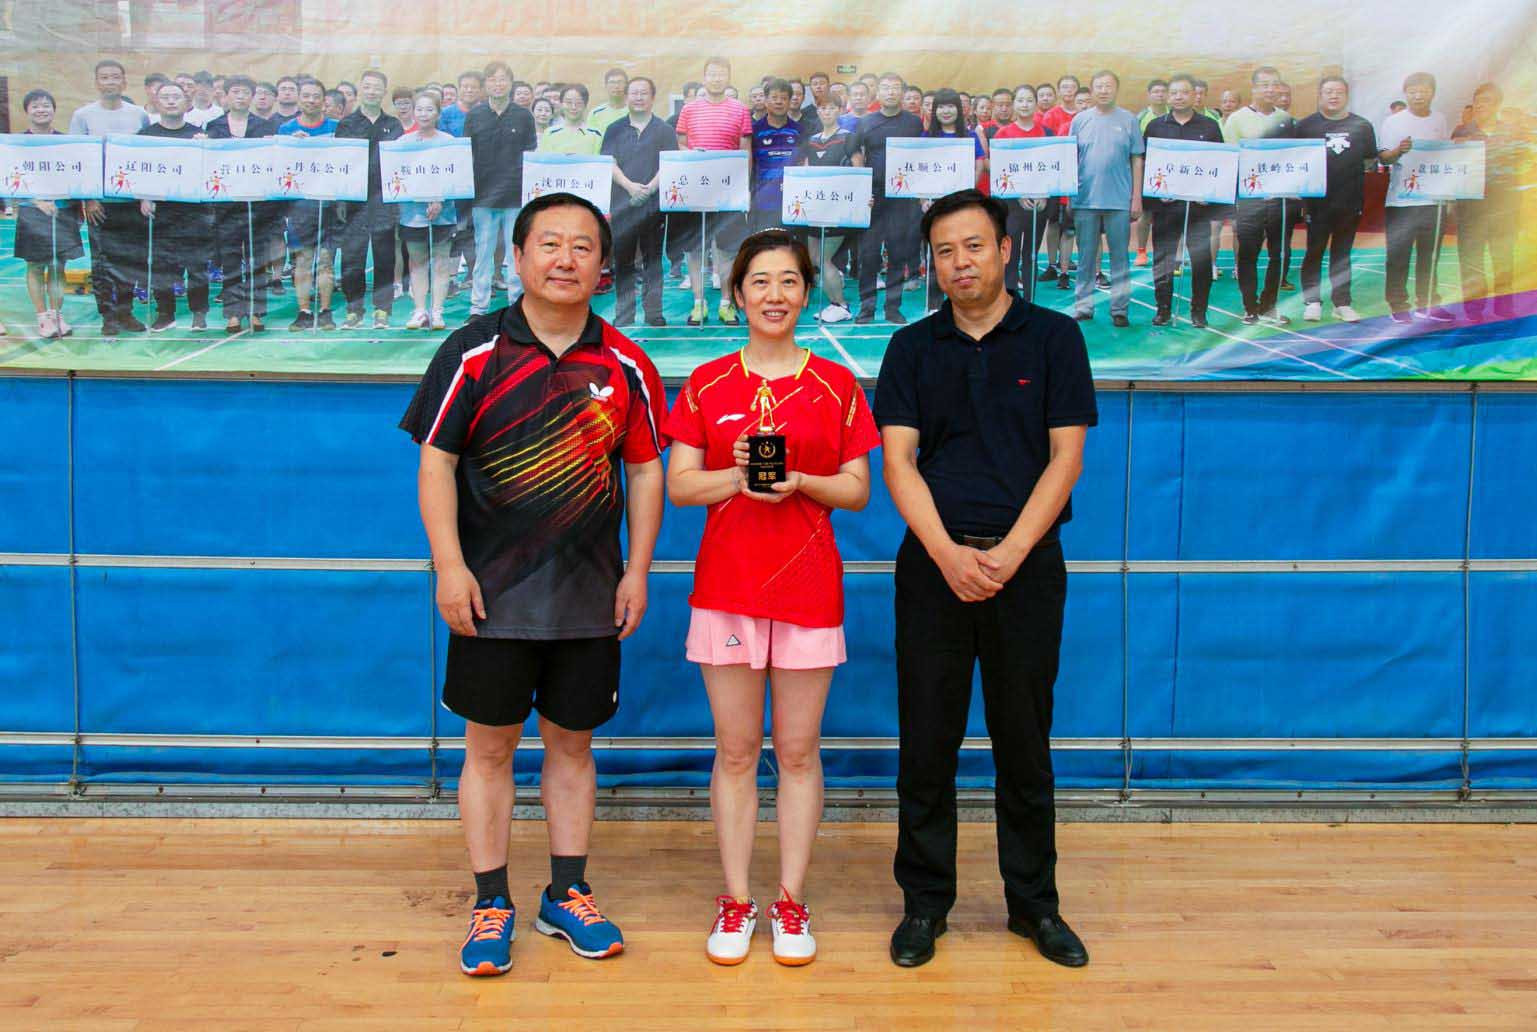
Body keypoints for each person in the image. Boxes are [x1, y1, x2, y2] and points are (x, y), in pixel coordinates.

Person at [400, 190, 667, 977]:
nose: (564, 259)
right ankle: (490, 902)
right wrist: (450, 565)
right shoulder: (472, 352)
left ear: (602, 265)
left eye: (582, 246)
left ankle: (567, 893)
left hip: (589, 596)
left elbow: (645, 470)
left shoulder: (624, 362)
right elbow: (436, 462)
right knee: (488, 750)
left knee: (571, 747)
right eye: (548, 243)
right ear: (517, 257)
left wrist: (638, 570)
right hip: (491, 596)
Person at [875, 189, 1096, 971]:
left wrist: (1010, 552)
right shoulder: (911, 347)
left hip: (1025, 571)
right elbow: (897, 462)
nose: (959, 262)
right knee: (925, 745)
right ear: (931, 264)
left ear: (1004, 250)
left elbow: (1065, 458)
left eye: (972, 246)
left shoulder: (1055, 338)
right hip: (933, 570)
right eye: (944, 251)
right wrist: (946, 553)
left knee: (1023, 743)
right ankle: (923, 905)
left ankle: (1034, 906)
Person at [664, 230, 878, 968]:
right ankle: (735, 900)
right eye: (759, 282)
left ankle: (790, 900)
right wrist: (738, 477)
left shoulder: (837, 385)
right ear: (737, 294)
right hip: (727, 587)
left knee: (796, 751)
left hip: (809, 587)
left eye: (788, 281)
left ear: (806, 293)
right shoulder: (707, 382)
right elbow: (679, 484)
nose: (774, 295)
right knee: (734, 752)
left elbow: (857, 490)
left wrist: (800, 482)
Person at [69, 58, 151, 335]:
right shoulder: (83, 116)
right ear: (96, 82)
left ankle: (126, 312)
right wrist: (89, 198)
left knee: (131, 259)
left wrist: (144, 196)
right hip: (100, 203)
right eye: (104, 77)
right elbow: (79, 159)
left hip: (131, 201)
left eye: (115, 77)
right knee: (102, 261)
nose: (110, 82)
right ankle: (108, 315)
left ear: (124, 81)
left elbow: (145, 158)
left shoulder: (139, 115)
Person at [675, 56, 754, 326]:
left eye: (721, 74)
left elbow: (745, 150)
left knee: (727, 250)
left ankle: (725, 304)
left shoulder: (740, 110)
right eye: (712, 74)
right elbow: (681, 144)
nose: (716, 78)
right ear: (704, 77)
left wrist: (744, 189)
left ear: (728, 77)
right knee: (695, 249)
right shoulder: (689, 110)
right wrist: (693, 154)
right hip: (695, 190)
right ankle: (699, 303)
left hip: (728, 192)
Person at [1142, 74, 1223, 328]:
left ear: (1194, 95)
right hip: (1166, 206)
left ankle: (1199, 311)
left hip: (1199, 207)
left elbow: (1219, 164)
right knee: (1163, 260)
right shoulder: (1155, 126)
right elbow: (1147, 165)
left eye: (1185, 92)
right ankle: (1163, 309)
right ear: (1168, 96)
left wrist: (1209, 195)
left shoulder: (1209, 126)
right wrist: (1156, 193)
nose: (1179, 97)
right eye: (1174, 92)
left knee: (1201, 261)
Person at [1295, 75, 1376, 324]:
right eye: (1328, 91)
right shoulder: (1305, 126)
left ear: (1346, 95)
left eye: (1339, 92)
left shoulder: (1362, 126)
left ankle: (1342, 303)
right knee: (1314, 251)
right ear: (1320, 95)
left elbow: (1369, 160)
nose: (1334, 96)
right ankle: (1312, 301)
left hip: (1350, 201)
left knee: (1342, 253)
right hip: (1317, 203)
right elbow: (1296, 161)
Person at [136, 80, 213, 332]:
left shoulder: (198, 135)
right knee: (161, 265)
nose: (171, 101)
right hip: (160, 210)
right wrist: (144, 197)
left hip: (194, 210)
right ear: (156, 102)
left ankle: (199, 312)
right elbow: (138, 171)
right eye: (165, 97)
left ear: (186, 102)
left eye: (176, 97)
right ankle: (165, 313)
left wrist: (206, 147)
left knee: (197, 264)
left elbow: (210, 172)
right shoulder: (145, 136)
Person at [849, 72, 925, 324]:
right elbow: (855, 152)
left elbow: (920, 157)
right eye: (885, 87)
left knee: (898, 253)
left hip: (902, 197)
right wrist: (862, 187)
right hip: (873, 197)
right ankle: (866, 308)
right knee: (869, 255)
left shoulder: (914, 123)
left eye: (895, 88)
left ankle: (893, 308)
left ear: (902, 92)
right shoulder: (866, 122)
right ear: (878, 93)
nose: (891, 92)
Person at [1069, 70, 1144, 326]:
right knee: (1086, 258)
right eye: (1099, 86)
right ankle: (1083, 306)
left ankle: (1120, 309)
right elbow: (1070, 159)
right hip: (1085, 200)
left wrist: (1136, 197)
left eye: (1108, 86)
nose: (1103, 90)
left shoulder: (1129, 120)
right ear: (1091, 90)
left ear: (1116, 89)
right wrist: (1070, 195)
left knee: (1120, 258)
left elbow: (1137, 159)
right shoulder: (1080, 120)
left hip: (1119, 201)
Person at [1379, 72, 1454, 324]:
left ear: (1433, 92)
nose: (1418, 95)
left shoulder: (1440, 119)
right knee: (1398, 256)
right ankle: (1398, 304)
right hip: (1402, 201)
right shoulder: (1393, 122)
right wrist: (1398, 151)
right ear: (1406, 94)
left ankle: (1428, 303)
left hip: (1434, 200)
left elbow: (1446, 156)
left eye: (1423, 91)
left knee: (1430, 256)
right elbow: (1383, 158)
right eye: (1413, 91)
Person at [1223, 66, 1296, 326]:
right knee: (1248, 254)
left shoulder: (1286, 119)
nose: (1270, 89)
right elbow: (1230, 159)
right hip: (1250, 200)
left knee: (1279, 254)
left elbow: (1294, 157)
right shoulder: (1237, 120)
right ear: (1253, 88)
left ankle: (1269, 305)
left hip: (1280, 200)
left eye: (1274, 84)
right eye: (1264, 85)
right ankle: (1250, 307)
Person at [464, 60, 538, 317]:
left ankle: (518, 305)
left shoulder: (523, 116)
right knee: (483, 253)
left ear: (511, 83)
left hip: (515, 196)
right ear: (485, 85)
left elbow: (531, 155)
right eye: (493, 80)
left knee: (516, 252)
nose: (498, 84)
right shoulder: (475, 116)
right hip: (483, 197)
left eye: (503, 79)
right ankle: (478, 306)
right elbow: (466, 155)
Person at [205, 75, 277, 333]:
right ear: (225, 96)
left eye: (246, 92)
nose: (240, 96)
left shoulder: (264, 127)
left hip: (257, 204)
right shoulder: (213, 127)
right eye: (235, 91)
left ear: (252, 96)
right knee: (231, 260)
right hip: (226, 204)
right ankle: (233, 313)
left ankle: (256, 311)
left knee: (257, 259)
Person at [603, 75, 676, 327]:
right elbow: (609, 162)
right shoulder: (614, 129)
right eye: (634, 93)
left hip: (653, 206)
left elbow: (669, 164)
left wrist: (649, 189)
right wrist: (630, 187)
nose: (638, 97)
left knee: (653, 260)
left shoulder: (664, 130)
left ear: (653, 97)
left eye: (644, 93)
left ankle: (654, 312)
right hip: (622, 204)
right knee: (623, 260)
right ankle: (624, 314)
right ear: (626, 97)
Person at [335, 68, 404, 330]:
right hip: (354, 201)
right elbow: (340, 164)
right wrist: (340, 200)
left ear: (384, 92)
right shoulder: (347, 124)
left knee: (384, 256)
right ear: (360, 90)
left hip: (384, 200)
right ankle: (353, 310)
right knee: (353, 257)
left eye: (377, 87)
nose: (372, 91)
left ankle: (382, 309)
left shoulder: (393, 124)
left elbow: (399, 164)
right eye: (367, 87)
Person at [15, 88, 86, 339]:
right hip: (31, 212)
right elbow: (10, 179)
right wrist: (36, 201)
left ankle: (57, 314)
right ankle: (42, 317)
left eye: (46, 105)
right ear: (27, 111)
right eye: (35, 106)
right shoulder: (16, 144)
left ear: (54, 110)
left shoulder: (66, 143)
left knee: (58, 265)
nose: (41, 110)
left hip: (62, 211)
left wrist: (78, 206)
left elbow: (77, 176)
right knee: (35, 266)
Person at [277, 78, 341, 330]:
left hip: (329, 205)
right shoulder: (286, 130)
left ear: (324, 101)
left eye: (316, 96)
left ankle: (325, 311)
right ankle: (303, 311)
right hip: (300, 207)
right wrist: (292, 146)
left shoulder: (337, 128)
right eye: (306, 96)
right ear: (299, 99)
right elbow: (279, 167)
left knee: (325, 261)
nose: (311, 100)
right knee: (302, 261)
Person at [393, 92, 459, 331]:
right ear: (413, 112)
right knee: (417, 262)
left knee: (441, 262)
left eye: (429, 109)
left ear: (438, 113)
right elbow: (396, 176)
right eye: (419, 109)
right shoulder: (402, 143)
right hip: (413, 213)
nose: (424, 114)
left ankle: (437, 311)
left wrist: (440, 198)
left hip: (444, 213)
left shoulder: (449, 142)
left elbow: (457, 175)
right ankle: (420, 310)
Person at [1453, 83, 1517, 319]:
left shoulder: (1511, 133)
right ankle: (1474, 309)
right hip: (1471, 208)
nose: (1480, 105)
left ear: (1498, 105)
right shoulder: (1461, 133)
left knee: (1504, 258)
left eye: (1486, 100)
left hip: (1504, 208)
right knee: (1471, 259)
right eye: (1477, 100)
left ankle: (1504, 306)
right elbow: (1452, 170)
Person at [796, 95, 862, 323]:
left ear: (840, 110)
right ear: (818, 111)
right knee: (815, 258)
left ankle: (840, 305)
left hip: (839, 209)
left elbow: (859, 171)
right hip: (816, 209)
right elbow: (805, 172)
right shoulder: (811, 140)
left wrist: (859, 200)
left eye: (832, 108)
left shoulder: (849, 138)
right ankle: (836, 303)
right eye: (823, 108)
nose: (827, 112)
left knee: (824, 259)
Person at [994, 84, 1056, 299]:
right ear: (1014, 104)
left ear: (1036, 104)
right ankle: (1010, 299)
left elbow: (1053, 168)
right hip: (1012, 205)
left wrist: (1044, 194)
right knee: (1010, 254)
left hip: (1039, 204)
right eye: (1020, 100)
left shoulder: (1047, 133)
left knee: (1031, 255)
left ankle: (1030, 299)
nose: (1025, 104)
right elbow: (1000, 170)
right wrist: (1018, 194)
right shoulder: (1003, 134)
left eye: (1029, 100)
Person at [1039, 76, 1079, 287]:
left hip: (1076, 179)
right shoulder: (1051, 115)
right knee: (1053, 222)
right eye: (1064, 87)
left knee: (1070, 226)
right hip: (1054, 177)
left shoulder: (1083, 116)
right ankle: (1052, 265)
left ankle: (1065, 265)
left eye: (1072, 87)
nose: (1068, 90)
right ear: (1059, 91)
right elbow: (1046, 146)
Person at [750, 79, 803, 233]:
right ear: (766, 101)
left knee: (790, 246)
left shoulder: (800, 130)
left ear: (789, 101)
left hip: (793, 203)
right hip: (762, 203)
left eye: (784, 98)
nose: (779, 102)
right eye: (774, 97)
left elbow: (804, 164)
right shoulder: (754, 130)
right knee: (765, 244)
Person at [1133, 80, 1170, 267]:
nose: (1160, 94)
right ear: (1149, 95)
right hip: (1148, 172)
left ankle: (1169, 254)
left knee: (1170, 216)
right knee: (1146, 215)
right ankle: (1141, 251)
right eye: (1156, 91)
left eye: (1163, 91)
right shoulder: (1141, 118)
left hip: (1171, 174)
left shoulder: (1174, 115)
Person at [542, 83, 604, 155]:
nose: (573, 107)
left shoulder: (595, 134)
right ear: (561, 104)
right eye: (569, 102)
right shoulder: (550, 133)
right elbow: (543, 159)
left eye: (578, 103)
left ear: (585, 105)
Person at [587, 68, 631, 134]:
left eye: (620, 82)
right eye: (612, 82)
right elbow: (590, 138)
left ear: (627, 85)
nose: (616, 86)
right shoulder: (595, 114)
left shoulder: (636, 111)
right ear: (605, 85)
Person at [438, 71, 481, 137]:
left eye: (474, 87)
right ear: (459, 89)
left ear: (480, 90)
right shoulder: (445, 113)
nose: (469, 90)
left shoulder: (488, 112)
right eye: (465, 87)